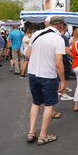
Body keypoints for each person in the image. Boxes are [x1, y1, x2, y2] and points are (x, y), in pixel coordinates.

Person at [25, 16, 67, 146]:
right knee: (49, 105)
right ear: (60, 26)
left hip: (33, 73)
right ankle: (43, 136)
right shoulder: (58, 39)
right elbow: (59, 63)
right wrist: (63, 81)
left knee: (36, 103)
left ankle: (31, 132)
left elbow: (28, 54)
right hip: (48, 75)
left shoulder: (36, 34)